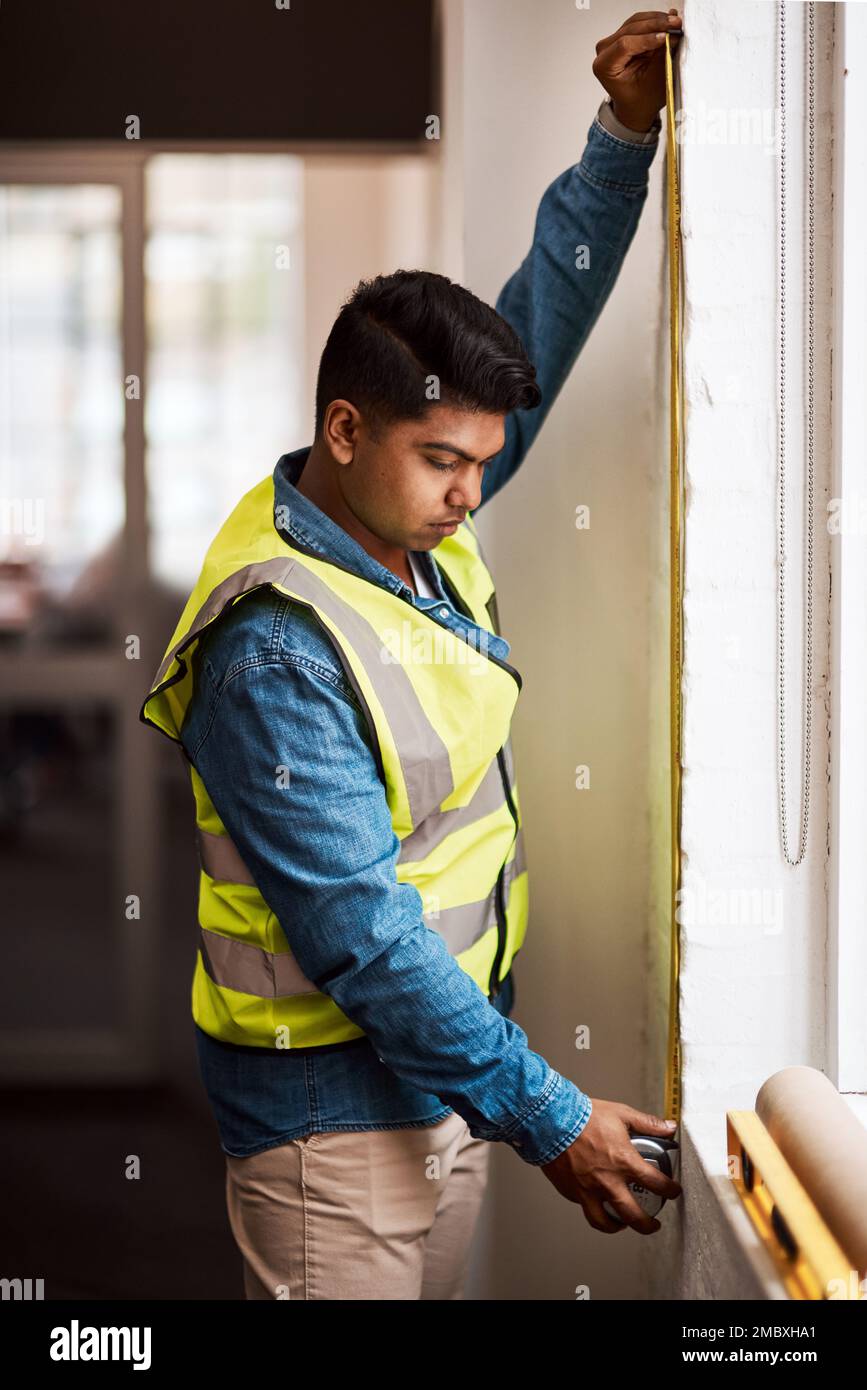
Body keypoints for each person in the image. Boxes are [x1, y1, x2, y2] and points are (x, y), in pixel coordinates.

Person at [140, 9, 684, 1300]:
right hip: (325, 1126)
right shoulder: (276, 644)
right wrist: (552, 1114)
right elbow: (369, 937)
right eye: (444, 461)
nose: (467, 491)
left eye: (478, 464)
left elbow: (526, 340)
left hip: (438, 1077)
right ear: (344, 428)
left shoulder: (410, 526)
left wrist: (624, 134)